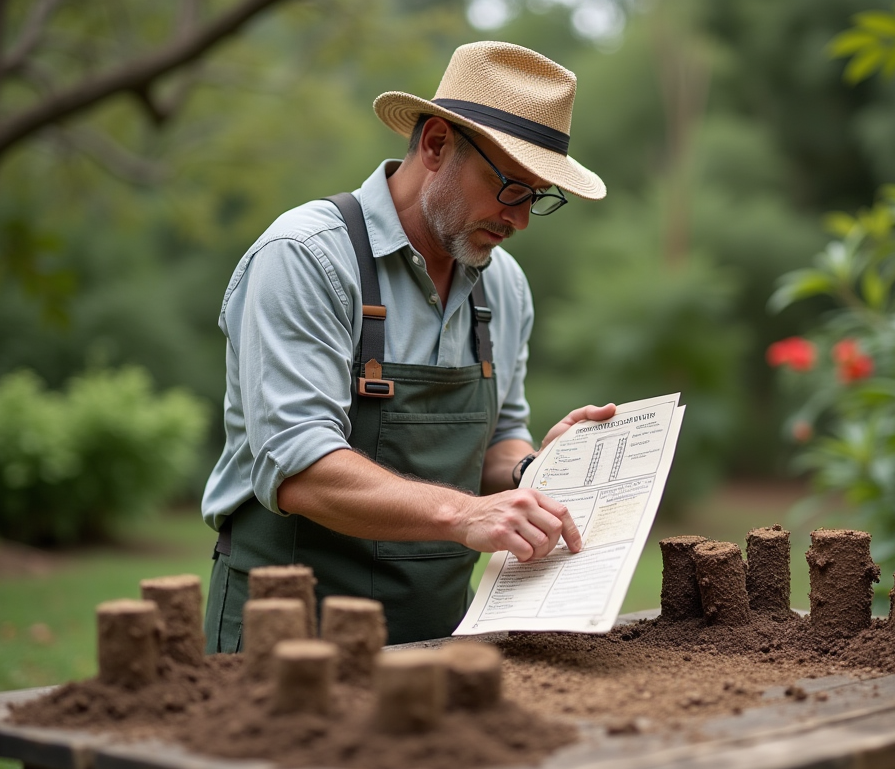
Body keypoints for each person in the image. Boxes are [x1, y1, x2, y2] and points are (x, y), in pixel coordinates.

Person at [201, 41, 614, 648]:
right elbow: (300, 469)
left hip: (444, 637)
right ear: (437, 145)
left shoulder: (504, 285)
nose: (521, 220)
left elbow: (499, 441)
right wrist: (468, 515)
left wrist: (536, 468)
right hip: (288, 640)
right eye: (510, 188)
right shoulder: (306, 258)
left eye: (537, 197)